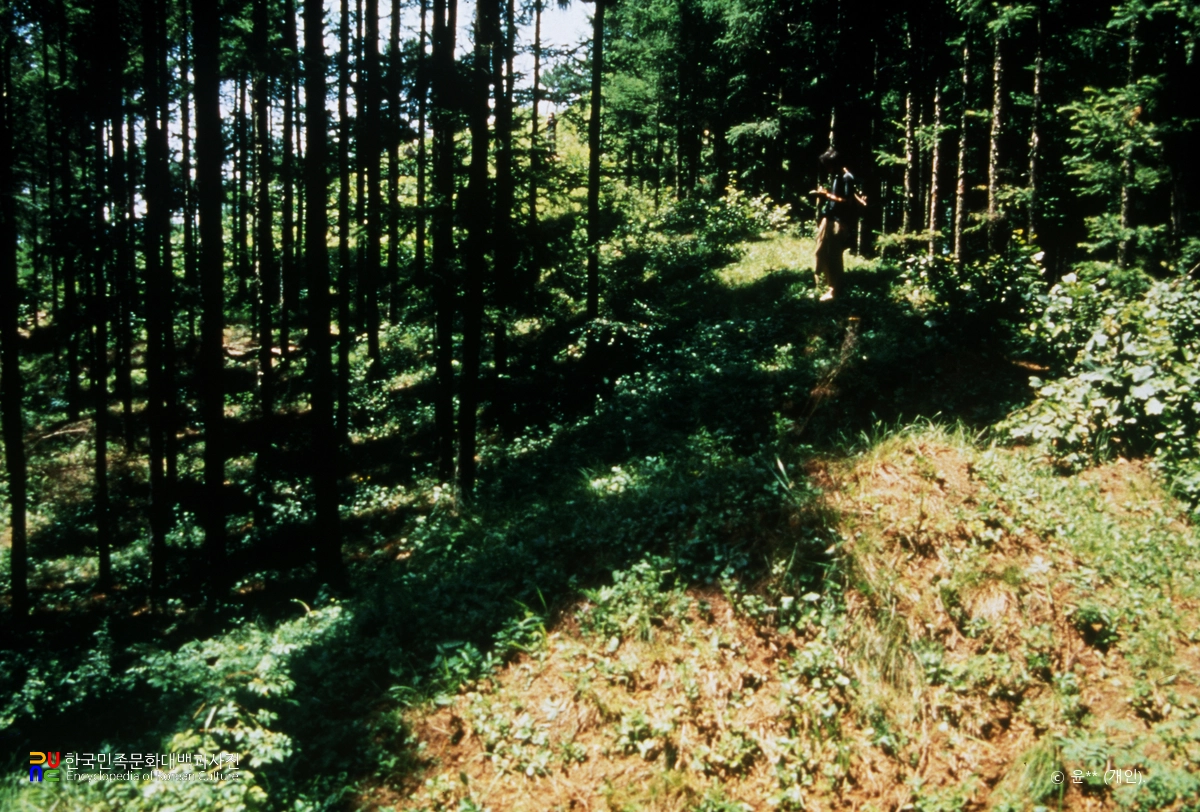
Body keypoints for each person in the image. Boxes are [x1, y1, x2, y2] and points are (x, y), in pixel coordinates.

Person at [812, 149, 866, 300]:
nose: (826, 168)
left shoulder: (847, 177)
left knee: (834, 255)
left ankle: (834, 290)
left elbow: (847, 202)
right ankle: (820, 283)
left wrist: (826, 195)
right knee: (820, 251)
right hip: (828, 217)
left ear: (834, 164)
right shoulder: (837, 176)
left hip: (839, 220)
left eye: (828, 165)